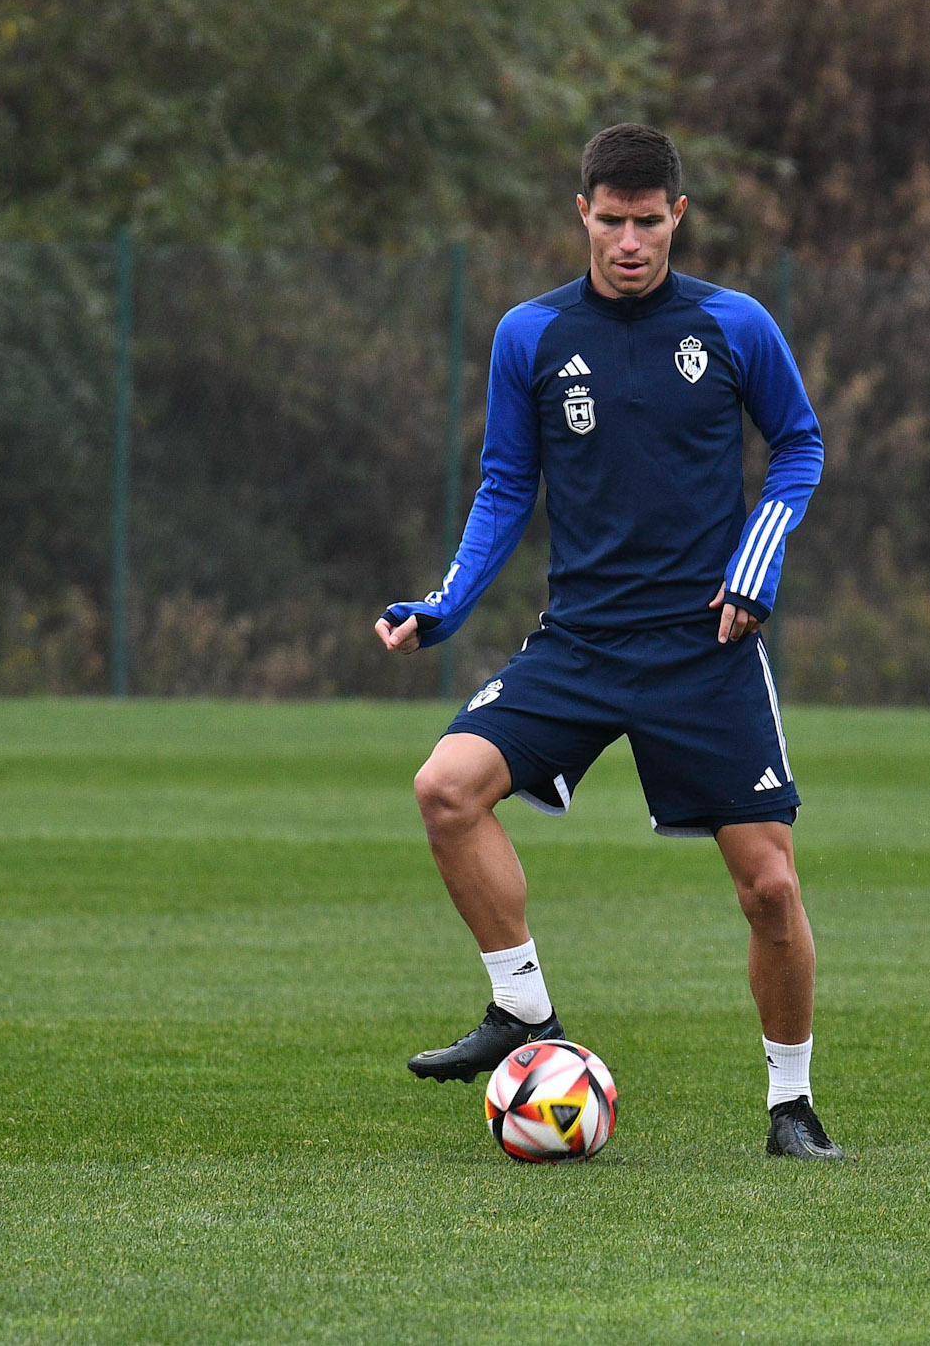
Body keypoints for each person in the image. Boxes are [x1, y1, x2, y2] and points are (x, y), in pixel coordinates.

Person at [375, 124, 839, 1159]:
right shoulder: (528, 336)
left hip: (704, 648)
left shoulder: (732, 324)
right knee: (444, 787)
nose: (629, 241)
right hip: (579, 643)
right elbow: (506, 483)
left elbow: (798, 444)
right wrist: (444, 604)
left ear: (677, 216)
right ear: (579, 212)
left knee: (769, 888)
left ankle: (791, 1105)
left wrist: (754, 566)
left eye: (648, 221)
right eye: (610, 220)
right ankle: (524, 1012)